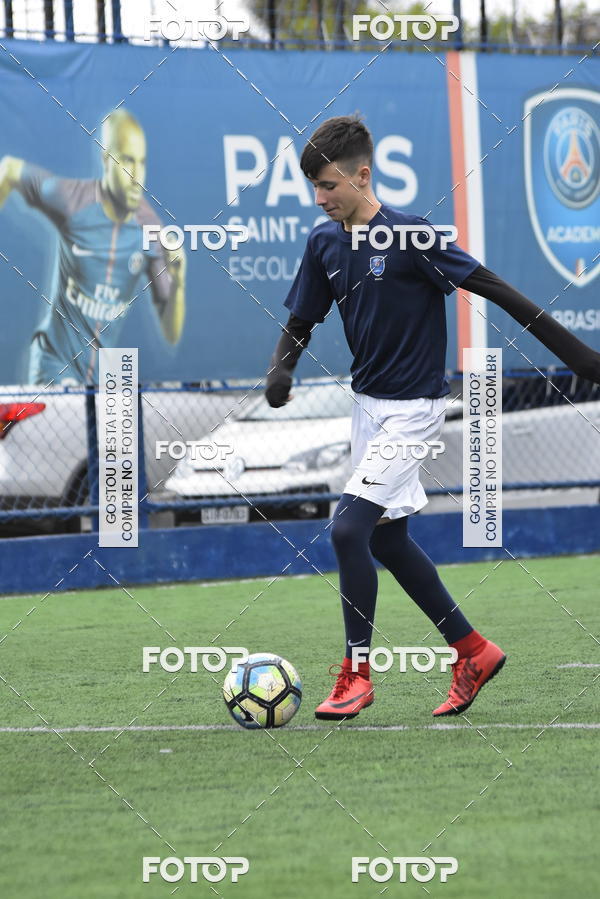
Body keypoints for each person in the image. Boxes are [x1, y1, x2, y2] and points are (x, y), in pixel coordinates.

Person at [264, 114, 600, 721]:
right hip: (365, 410)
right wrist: (281, 369)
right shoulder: (323, 242)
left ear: (363, 175)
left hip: (414, 411)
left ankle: (355, 675)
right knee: (386, 538)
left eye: (329, 186)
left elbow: (494, 287)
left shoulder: (412, 237)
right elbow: (301, 319)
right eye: (313, 187)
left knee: (346, 532)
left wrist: (580, 357)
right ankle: (472, 650)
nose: (320, 198)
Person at [0, 109, 185, 385]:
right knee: (63, 427)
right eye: (127, 162)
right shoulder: (71, 199)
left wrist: (178, 280)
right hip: (54, 366)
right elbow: (11, 169)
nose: (136, 176)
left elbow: (171, 332)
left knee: (120, 427)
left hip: (108, 379)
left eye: (142, 163)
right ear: (106, 160)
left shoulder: (151, 229)